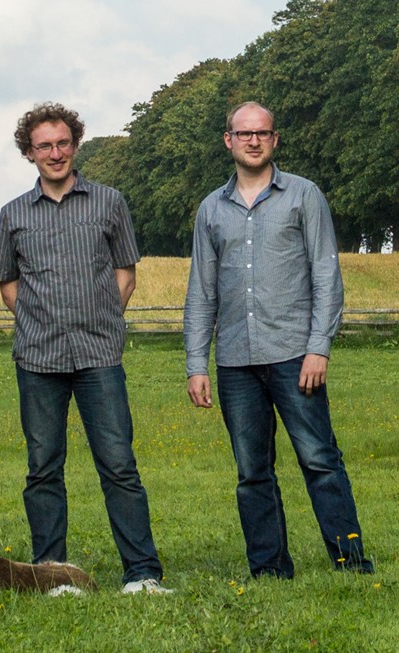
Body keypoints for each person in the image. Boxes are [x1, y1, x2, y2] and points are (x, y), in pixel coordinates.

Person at [184, 101, 374, 578]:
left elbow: (326, 276)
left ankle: (350, 562)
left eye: (262, 133)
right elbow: (201, 292)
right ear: (228, 140)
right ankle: (269, 568)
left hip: (295, 355)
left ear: (274, 140)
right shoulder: (211, 209)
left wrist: (319, 347)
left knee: (320, 460)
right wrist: (196, 364)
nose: (253, 141)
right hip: (235, 362)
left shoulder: (303, 197)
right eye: (243, 133)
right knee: (252, 472)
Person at [0, 102, 171, 595]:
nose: (55, 152)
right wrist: (38, 318)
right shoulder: (13, 215)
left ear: (75, 144)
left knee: (118, 464)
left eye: (63, 142)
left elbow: (125, 272)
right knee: (43, 468)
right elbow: (7, 284)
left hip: (99, 357)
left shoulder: (109, 202)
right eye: (44, 145)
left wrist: (102, 317)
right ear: (29, 153)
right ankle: (53, 575)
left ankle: (143, 573)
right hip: (38, 359)